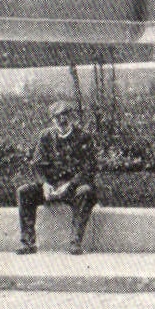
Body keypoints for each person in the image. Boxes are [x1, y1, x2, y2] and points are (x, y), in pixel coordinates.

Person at [15, 101, 97, 256]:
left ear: (71, 118)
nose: (61, 122)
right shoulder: (45, 136)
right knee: (24, 191)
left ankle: (75, 243)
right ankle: (28, 243)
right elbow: (37, 164)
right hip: (51, 186)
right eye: (57, 118)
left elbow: (89, 168)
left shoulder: (83, 137)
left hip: (73, 188)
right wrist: (45, 184)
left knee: (86, 192)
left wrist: (70, 185)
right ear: (52, 120)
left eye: (65, 118)